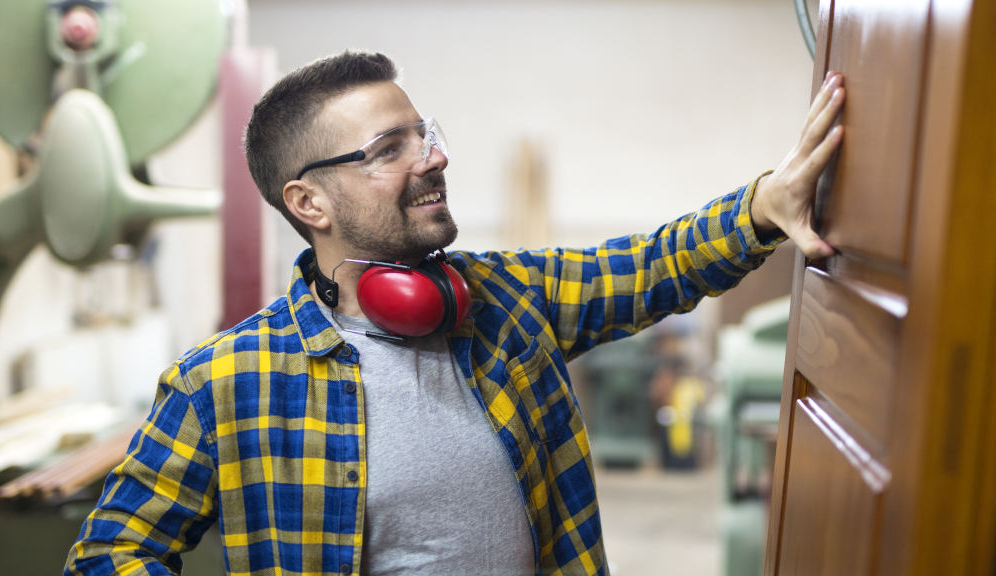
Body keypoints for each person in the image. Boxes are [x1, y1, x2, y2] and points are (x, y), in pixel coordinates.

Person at [64, 51, 844, 575]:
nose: (434, 157)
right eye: (389, 148)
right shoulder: (224, 383)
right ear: (308, 202)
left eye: (425, 135)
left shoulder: (505, 304)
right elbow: (110, 553)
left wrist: (761, 207)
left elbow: (651, 267)